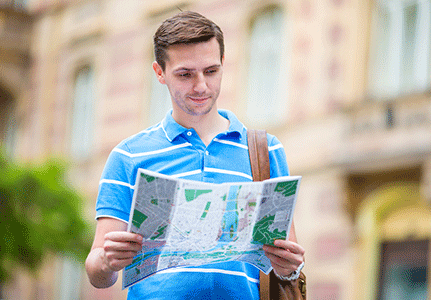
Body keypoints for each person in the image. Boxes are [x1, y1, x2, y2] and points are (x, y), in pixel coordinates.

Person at [85, 11, 305, 299]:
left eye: (211, 71)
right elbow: (96, 272)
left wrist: (291, 266)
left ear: (224, 65)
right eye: (185, 74)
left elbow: (288, 264)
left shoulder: (265, 151)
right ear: (159, 73)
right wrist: (107, 261)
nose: (201, 86)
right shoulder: (127, 156)